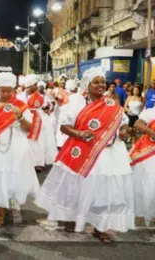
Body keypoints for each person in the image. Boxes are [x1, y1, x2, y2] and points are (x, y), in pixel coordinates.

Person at [35, 67, 134, 244]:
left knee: (107, 191)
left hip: (110, 153)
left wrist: (124, 132)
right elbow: (64, 126)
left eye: (102, 82)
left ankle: (101, 226)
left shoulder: (112, 104)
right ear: (87, 85)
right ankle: (73, 218)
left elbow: (123, 124)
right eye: (96, 82)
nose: (101, 85)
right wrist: (79, 133)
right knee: (78, 187)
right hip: (83, 151)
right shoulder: (77, 103)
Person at [0, 72, 40, 228]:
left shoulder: (21, 105)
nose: (6, 94)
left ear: (14, 90)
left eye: (9, 91)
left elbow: (29, 128)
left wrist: (20, 117)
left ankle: (12, 204)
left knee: (12, 177)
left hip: (16, 146)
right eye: (2, 90)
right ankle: (0, 211)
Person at [130, 107, 155, 226]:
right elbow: (138, 124)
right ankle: (143, 213)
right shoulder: (150, 112)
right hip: (149, 151)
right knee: (146, 183)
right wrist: (151, 133)